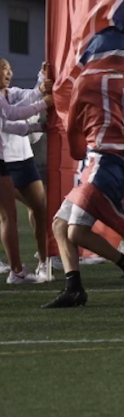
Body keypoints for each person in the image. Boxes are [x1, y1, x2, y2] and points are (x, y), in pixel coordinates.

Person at [43, 28, 124, 308]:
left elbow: (75, 140)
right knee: (60, 225)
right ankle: (75, 288)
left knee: (75, 231)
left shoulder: (88, 83)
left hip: (106, 162)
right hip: (99, 161)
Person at [0, 60, 52, 283]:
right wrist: (42, 104)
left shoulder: (11, 93)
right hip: (4, 162)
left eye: (10, 68)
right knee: (8, 217)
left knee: (40, 209)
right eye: (4, 69)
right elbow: (12, 115)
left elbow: (29, 98)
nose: (9, 72)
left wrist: (41, 81)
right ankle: (16, 270)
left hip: (22, 159)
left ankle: (43, 261)